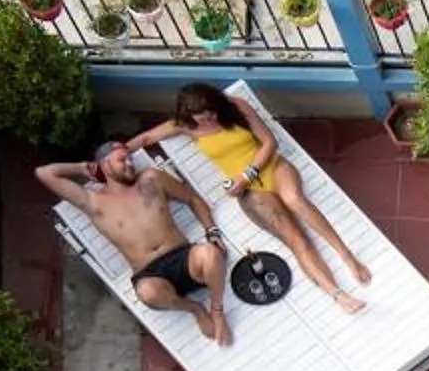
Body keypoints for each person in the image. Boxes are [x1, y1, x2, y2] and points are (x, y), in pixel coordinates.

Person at [130, 83, 370, 313]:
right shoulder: (184, 126)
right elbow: (145, 139)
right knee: (295, 238)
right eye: (202, 116)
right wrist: (113, 155)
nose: (210, 118)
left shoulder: (235, 106)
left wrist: (248, 174)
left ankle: (348, 256)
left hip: (271, 167)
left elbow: (269, 142)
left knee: (295, 200)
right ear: (189, 114)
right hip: (251, 191)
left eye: (212, 111)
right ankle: (338, 295)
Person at [34, 147, 234, 347]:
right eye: (122, 159)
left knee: (210, 253)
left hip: (183, 258)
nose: (130, 163)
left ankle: (217, 311)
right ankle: (195, 309)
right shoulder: (93, 201)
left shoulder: (151, 179)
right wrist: (84, 168)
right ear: (105, 165)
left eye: (130, 158)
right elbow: (44, 173)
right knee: (147, 293)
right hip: (151, 274)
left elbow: (192, 198)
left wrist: (212, 232)